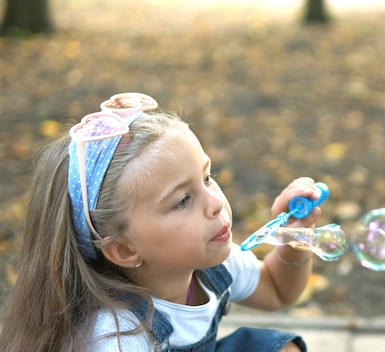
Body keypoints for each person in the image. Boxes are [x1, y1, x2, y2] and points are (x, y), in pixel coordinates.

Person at [0, 93, 320, 352]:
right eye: (182, 200)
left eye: (207, 178)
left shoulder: (211, 265)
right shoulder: (118, 337)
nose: (215, 204)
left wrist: (296, 235)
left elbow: (277, 291)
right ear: (124, 249)